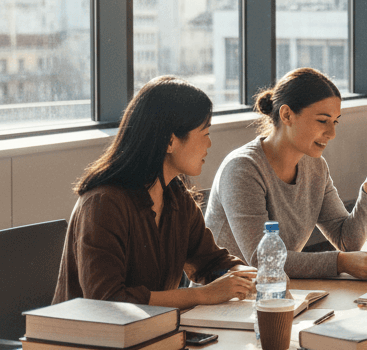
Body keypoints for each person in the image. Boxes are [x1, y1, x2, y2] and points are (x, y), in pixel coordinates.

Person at [53, 76, 256, 306]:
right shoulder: (103, 204)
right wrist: (202, 294)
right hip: (88, 339)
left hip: (150, 333)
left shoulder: (177, 196)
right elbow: (107, 300)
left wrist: (248, 276)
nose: (209, 144)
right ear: (170, 141)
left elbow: (211, 262)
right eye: (205, 133)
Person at [206, 68, 367, 279]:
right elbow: (262, 258)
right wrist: (340, 262)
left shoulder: (316, 166)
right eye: (322, 121)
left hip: (276, 293)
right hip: (223, 303)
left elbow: (347, 241)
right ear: (287, 115)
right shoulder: (242, 168)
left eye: (335, 122)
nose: (332, 134)